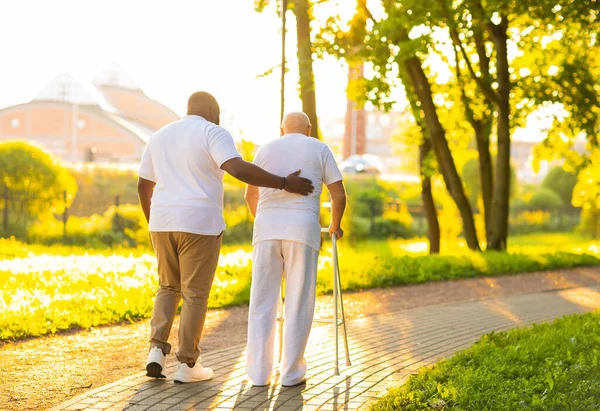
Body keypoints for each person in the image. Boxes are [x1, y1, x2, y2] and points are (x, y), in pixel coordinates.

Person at [137, 92, 314, 384]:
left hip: (162, 222)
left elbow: (144, 185)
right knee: (195, 294)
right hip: (199, 224)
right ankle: (187, 364)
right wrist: (283, 183)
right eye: (218, 113)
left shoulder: (159, 136)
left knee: (167, 286)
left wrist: (153, 221)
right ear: (212, 110)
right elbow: (237, 169)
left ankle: (156, 350)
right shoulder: (213, 132)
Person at [244, 111, 347, 387]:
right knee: (298, 301)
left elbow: (250, 195)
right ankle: (291, 374)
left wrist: (267, 221)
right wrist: (335, 225)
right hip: (302, 230)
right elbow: (338, 194)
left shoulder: (264, 149)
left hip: (266, 229)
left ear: (281, 130)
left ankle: (258, 374)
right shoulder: (319, 148)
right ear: (309, 129)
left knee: (262, 301)